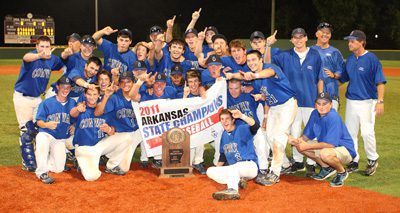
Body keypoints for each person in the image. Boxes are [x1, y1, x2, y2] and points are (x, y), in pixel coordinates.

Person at [272, 28, 324, 176]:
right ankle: (298, 161)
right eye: (295, 37)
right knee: (294, 132)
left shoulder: (315, 55)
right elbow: (268, 63)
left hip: (310, 100)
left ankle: (311, 163)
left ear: (306, 38)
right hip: (292, 102)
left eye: (301, 37)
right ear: (292, 40)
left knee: (311, 133)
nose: (298, 40)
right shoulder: (285, 55)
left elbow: (320, 78)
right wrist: (268, 46)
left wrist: (320, 98)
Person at [243, 50, 298, 186]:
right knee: (269, 136)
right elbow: (267, 98)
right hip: (273, 108)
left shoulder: (270, 67)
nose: (251, 63)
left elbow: (269, 73)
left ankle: (275, 172)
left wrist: (254, 75)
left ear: (261, 59)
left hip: (287, 104)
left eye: (254, 60)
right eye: (249, 61)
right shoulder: (256, 82)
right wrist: (266, 115)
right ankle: (284, 164)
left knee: (279, 136)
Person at [13, 35, 64, 172]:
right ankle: (27, 162)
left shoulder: (52, 59)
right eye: (41, 46)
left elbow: (62, 63)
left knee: (39, 128)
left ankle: (42, 156)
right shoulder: (32, 57)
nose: (45, 49)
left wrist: (67, 53)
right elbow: (26, 57)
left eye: (47, 47)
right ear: (36, 47)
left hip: (37, 99)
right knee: (26, 130)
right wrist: (39, 55)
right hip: (22, 98)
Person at [340, 30, 386, 176]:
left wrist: (380, 101)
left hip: (368, 102)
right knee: (351, 133)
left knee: (366, 133)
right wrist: (330, 81)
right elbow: (343, 78)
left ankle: (372, 159)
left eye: (352, 41)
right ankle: (354, 160)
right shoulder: (351, 59)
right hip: (352, 101)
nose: (349, 43)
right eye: (349, 41)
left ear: (361, 42)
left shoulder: (371, 58)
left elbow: (380, 82)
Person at [288, 92, 356, 187]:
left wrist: (307, 146)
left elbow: (330, 144)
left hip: (345, 150)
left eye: (325, 104)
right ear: (315, 105)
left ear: (331, 105)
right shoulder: (315, 113)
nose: (321, 107)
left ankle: (342, 172)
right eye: (319, 104)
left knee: (325, 154)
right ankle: (326, 168)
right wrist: (297, 140)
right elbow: (307, 135)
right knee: (299, 146)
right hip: (327, 147)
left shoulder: (333, 117)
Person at [70, 87, 132, 181]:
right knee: (92, 177)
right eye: (89, 94)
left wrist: (109, 129)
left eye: (95, 94)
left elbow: (113, 130)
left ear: (99, 95)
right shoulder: (81, 108)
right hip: (84, 148)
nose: (92, 97)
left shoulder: (104, 109)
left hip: (100, 146)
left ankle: (111, 166)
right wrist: (77, 109)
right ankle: (80, 162)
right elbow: (72, 114)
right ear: (85, 95)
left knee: (127, 137)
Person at [94, 71, 143, 173]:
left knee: (124, 168)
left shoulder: (139, 97)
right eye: (123, 82)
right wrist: (106, 96)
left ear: (133, 83)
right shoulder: (114, 98)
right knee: (127, 138)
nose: (125, 84)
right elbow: (98, 113)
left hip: (134, 133)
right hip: (119, 134)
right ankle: (111, 164)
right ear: (119, 84)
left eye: (128, 81)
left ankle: (148, 158)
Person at [206, 109, 259, 200]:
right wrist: (217, 169)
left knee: (233, 169)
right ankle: (238, 181)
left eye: (227, 119)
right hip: (235, 170)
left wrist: (242, 116)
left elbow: (255, 126)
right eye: (222, 119)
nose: (225, 121)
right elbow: (223, 156)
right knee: (210, 171)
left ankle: (233, 189)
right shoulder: (224, 135)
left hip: (249, 166)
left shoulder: (241, 128)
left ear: (233, 120)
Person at [34, 76, 76, 184]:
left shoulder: (72, 103)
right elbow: (39, 122)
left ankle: (41, 159)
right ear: (57, 87)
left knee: (59, 168)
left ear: (70, 89)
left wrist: (75, 125)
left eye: (68, 87)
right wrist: (46, 124)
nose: (65, 89)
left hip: (60, 139)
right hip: (47, 134)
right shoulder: (46, 103)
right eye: (63, 86)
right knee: (41, 141)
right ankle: (42, 172)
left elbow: (76, 119)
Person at [226, 78, 268, 184]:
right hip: (239, 132)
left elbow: (266, 97)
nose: (233, 91)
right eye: (231, 88)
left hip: (253, 127)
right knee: (241, 155)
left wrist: (261, 96)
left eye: (236, 88)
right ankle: (243, 175)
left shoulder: (249, 95)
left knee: (261, 145)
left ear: (241, 87)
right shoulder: (225, 99)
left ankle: (263, 170)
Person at [311, 22, 345, 110]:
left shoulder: (335, 52)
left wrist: (334, 75)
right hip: (312, 96)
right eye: (323, 32)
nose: (325, 34)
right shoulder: (310, 51)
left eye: (328, 33)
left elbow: (342, 72)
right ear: (317, 34)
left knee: (331, 122)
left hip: (331, 95)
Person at [182, 70, 207, 174]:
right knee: (188, 160)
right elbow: (181, 113)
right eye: (190, 81)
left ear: (199, 82)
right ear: (187, 83)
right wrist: (184, 96)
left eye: (195, 81)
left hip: (203, 127)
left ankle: (198, 161)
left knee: (200, 137)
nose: (193, 84)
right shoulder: (184, 94)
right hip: (188, 127)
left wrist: (203, 92)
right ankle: (192, 162)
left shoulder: (203, 91)